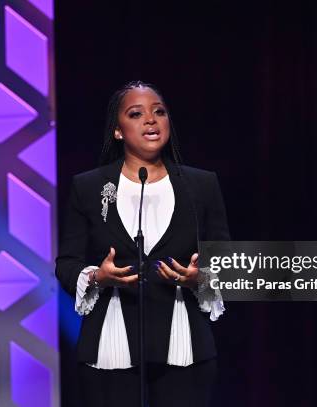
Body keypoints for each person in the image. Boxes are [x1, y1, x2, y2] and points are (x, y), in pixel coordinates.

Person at [55, 81, 230, 407]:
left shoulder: (201, 185)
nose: (151, 120)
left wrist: (201, 278)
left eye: (159, 112)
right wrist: (97, 276)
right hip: (112, 344)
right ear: (118, 131)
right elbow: (66, 263)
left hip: (184, 343)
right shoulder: (90, 187)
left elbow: (226, 262)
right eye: (136, 114)